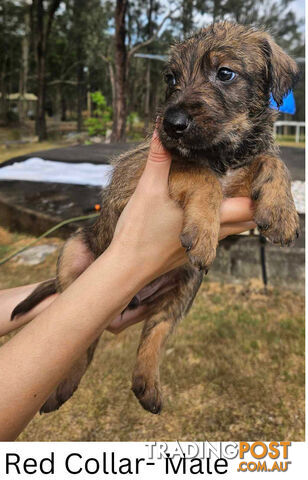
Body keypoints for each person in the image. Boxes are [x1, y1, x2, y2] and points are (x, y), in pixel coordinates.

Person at [0, 130, 256, 440]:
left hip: (161, 273)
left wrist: (87, 290)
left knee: (190, 276)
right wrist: (119, 272)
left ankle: (148, 359)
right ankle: (82, 356)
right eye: (173, 79)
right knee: (75, 248)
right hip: (100, 248)